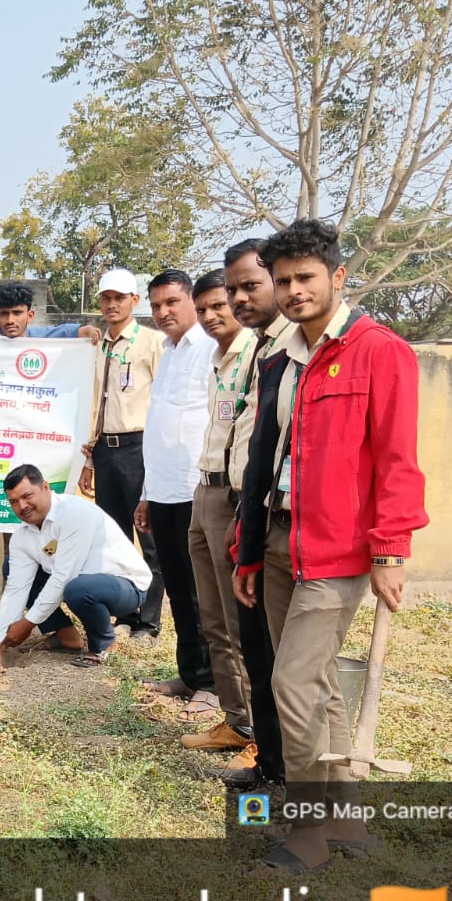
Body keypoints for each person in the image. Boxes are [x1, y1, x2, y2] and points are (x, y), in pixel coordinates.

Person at [234, 218, 427, 873]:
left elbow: (398, 460)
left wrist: (391, 552)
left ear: (337, 277)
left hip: (339, 551)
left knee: (293, 683)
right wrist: (250, 549)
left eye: (305, 278)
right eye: (282, 280)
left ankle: (308, 832)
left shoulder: (379, 351)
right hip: (282, 536)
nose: (292, 291)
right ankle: (347, 816)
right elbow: (265, 456)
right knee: (321, 688)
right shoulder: (282, 356)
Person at [208, 238, 296, 789]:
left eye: (250, 286)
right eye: (232, 288)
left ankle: (294, 775)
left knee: (285, 660)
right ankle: (270, 763)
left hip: (285, 520)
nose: (240, 298)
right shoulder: (266, 348)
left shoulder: (296, 348)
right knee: (257, 648)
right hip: (252, 512)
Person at [133, 270, 217, 721]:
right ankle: (190, 672)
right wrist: (147, 492)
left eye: (172, 302)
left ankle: (214, 685)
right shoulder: (167, 352)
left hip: (195, 488)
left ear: (192, 301)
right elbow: (161, 425)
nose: (163, 312)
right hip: (163, 489)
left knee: (204, 591)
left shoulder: (211, 347)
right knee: (178, 589)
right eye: (156, 305)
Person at [183, 269, 256, 755]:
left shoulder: (256, 355)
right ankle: (235, 721)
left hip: (233, 498)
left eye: (219, 305)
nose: (211, 315)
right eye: (204, 307)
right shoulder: (217, 360)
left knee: (238, 621)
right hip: (204, 491)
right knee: (212, 618)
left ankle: (258, 731)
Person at [0, 464, 152, 669]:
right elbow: (16, 589)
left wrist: (28, 624)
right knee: (11, 567)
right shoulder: (22, 536)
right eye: (14, 502)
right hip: (79, 582)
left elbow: (63, 577)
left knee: (78, 589)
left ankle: (104, 644)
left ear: (45, 487)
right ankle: (67, 636)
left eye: (27, 496)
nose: (22, 506)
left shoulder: (74, 512)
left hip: (125, 586)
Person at [78, 269, 165, 639]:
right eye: (105, 298)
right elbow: (95, 399)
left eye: (119, 298)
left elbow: (163, 401)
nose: (112, 305)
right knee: (113, 536)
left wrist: (158, 457)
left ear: (135, 300)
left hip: (138, 447)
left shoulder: (151, 342)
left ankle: (149, 620)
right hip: (104, 450)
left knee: (149, 536)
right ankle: (126, 612)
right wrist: (88, 457)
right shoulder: (99, 346)